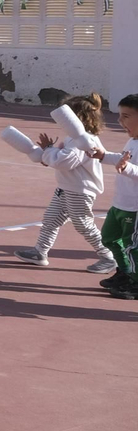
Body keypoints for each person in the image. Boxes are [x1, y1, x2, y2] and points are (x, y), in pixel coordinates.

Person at [15, 95, 116, 273]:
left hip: (80, 190)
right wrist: (48, 155)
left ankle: (109, 256)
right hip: (66, 187)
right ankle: (40, 251)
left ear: (77, 118)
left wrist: (49, 151)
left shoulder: (83, 141)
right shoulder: (72, 139)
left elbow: (65, 162)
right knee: (51, 219)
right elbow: (60, 159)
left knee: (83, 224)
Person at [98, 95, 138, 299]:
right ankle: (125, 272)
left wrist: (127, 168)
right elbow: (123, 159)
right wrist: (103, 155)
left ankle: (136, 281)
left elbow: (130, 167)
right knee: (109, 238)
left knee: (133, 247)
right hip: (120, 204)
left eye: (126, 116)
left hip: (135, 208)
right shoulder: (132, 141)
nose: (120, 121)